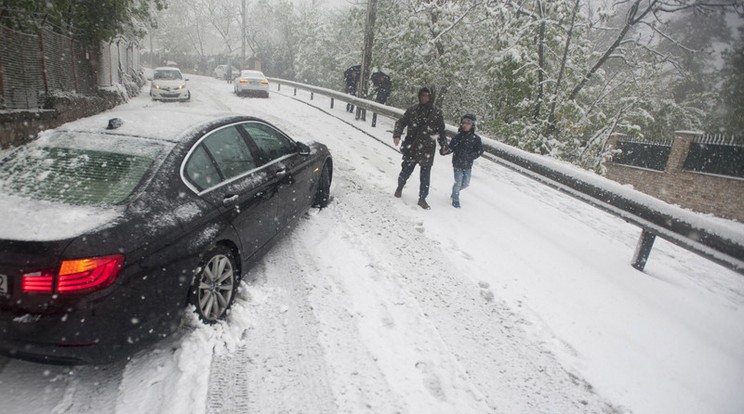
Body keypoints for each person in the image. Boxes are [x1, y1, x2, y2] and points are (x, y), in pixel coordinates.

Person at [392, 86, 450, 210]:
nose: (424, 98)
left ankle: (422, 199)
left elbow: (440, 131)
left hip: (427, 148)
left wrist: (444, 145)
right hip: (411, 146)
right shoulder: (413, 110)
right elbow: (401, 122)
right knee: (405, 170)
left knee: (425, 176)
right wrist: (397, 134)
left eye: (426, 96)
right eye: (422, 95)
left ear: (431, 97)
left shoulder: (437, 113)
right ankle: (399, 187)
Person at [448, 113, 484, 208]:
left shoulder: (476, 139)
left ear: (472, 125)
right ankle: (455, 200)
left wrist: (470, 157)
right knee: (458, 182)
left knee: (465, 184)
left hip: (468, 165)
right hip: (457, 164)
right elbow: (450, 148)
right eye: (464, 123)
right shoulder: (457, 137)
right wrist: (444, 151)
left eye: (468, 123)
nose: (465, 125)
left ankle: (454, 192)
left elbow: (479, 151)